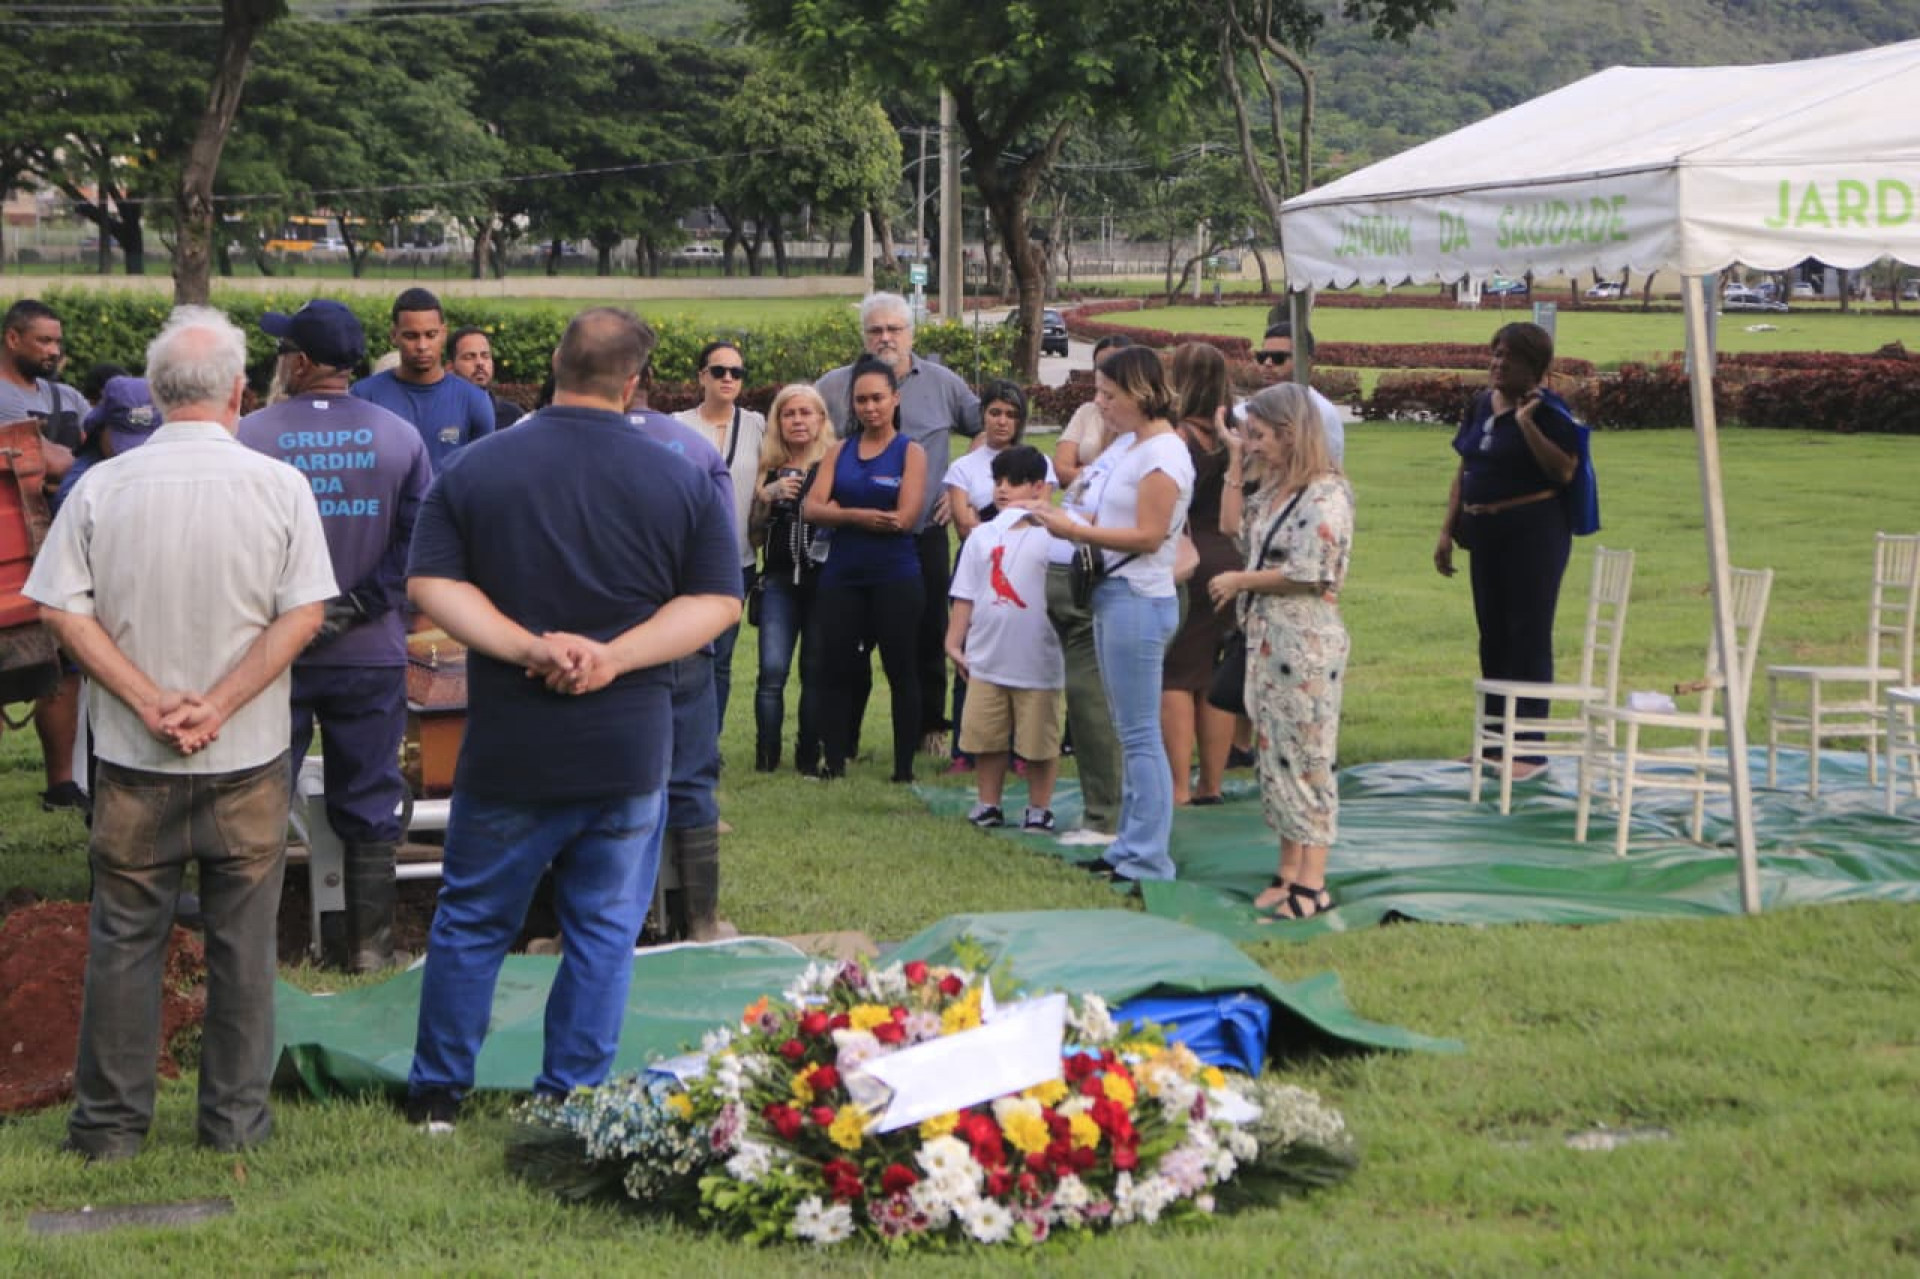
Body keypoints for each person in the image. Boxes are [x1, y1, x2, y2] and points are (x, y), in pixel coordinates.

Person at [404, 308, 740, 1130]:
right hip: (625, 739)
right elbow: (719, 602)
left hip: (512, 737)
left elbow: (432, 586)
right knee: (602, 929)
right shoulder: (682, 472)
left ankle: (438, 1096)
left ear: (553, 364)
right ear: (635, 385)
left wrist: (528, 649)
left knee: (474, 917)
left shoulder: (478, 468)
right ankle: (571, 1097)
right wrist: (615, 657)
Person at [26, 305, 336, 1159]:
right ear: (240, 391)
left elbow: (58, 609)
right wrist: (221, 702)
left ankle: (108, 1128)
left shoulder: (100, 486)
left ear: (159, 395)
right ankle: (234, 1127)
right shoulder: (279, 486)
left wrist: (145, 697)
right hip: (246, 756)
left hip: (132, 755)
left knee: (124, 939)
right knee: (245, 943)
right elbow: (303, 612)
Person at [238, 300, 434, 972]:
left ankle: (255, 947)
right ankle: (370, 947)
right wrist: (352, 607)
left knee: (262, 792)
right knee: (372, 792)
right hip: (371, 649)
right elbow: (417, 543)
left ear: (298, 361)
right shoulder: (401, 436)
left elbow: (235, 550)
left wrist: (302, 614)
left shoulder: (249, 434)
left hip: (271, 652)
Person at [1034, 346, 1194, 884]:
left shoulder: (1164, 454)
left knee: (1140, 733)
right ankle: (1130, 845)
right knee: (1129, 730)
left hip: (1138, 599)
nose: (1100, 404)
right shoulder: (1130, 444)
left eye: (1109, 394)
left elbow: (1150, 537)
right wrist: (1056, 514)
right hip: (1113, 593)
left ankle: (1148, 856)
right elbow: (1091, 498)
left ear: (1141, 392)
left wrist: (1074, 530)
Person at [1210, 383, 1354, 921]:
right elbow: (1233, 528)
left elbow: (1308, 572)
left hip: (1304, 644)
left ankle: (1313, 885)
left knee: (1308, 758)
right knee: (1276, 758)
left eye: (1260, 436)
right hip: (1268, 642)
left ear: (1292, 435)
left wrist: (1240, 581)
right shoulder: (1279, 489)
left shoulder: (1326, 495)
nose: (1253, 445)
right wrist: (1233, 460)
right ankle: (1288, 869)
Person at [815, 292, 980, 756]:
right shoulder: (834, 385)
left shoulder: (943, 383)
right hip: (849, 537)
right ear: (863, 336)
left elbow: (989, 426)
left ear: (912, 333)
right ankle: (844, 737)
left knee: (927, 632)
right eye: (875, 330)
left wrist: (956, 484)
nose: (885, 338)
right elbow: (804, 434)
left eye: (894, 329)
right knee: (850, 643)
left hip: (921, 531)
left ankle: (930, 727)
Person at [1434, 321, 1578, 782]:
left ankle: (1529, 750)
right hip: (1484, 530)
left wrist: (1525, 424)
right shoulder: (1480, 404)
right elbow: (1466, 465)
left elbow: (1564, 471)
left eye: (1508, 357)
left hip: (1533, 532)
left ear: (1534, 367)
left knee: (1527, 635)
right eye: (1494, 354)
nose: (1497, 364)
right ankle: (1494, 744)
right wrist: (1447, 527)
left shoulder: (1550, 412)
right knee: (1492, 635)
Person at [627, 364, 737, 942]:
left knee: (614, 782)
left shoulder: (577, 446)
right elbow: (723, 550)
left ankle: (615, 922)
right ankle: (702, 922)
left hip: (607, 643)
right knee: (692, 778)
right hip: (685, 637)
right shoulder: (696, 448)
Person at [803, 355, 928, 782]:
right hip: (843, 576)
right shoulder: (839, 450)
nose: (869, 407)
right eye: (861, 400)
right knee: (836, 667)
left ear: (895, 399)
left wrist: (840, 510)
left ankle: (904, 768)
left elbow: (905, 519)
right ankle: (833, 761)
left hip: (895, 576)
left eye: (877, 398)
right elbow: (811, 508)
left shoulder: (910, 452)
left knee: (900, 669)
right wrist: (859, 517)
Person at [945, 445, 1064, 833]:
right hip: (987, 656)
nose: (1002, 489)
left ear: (1037, 487)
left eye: (1013, 482)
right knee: (986, 737)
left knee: (1040, 741)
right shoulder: (982, 537)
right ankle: (989, 802)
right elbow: (965, 594)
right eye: (997, 481)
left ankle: (1039, 807)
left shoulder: (1056, 535)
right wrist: (953, 643)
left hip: (1039, 659)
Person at [1, 299, 89, 814]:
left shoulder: (67, 397)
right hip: (8, 549)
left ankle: (60, 784)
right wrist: (38, 461)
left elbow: (86, 458)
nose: (54, 351)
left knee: (63, 664)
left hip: (59, 548)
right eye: (43, 341)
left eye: (57, 342)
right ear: (13, 339)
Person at [941, 379, 1054, 771]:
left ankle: (1021, 749)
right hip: (979, 563)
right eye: (995, 413)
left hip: (1025, 566)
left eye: (1011, 415)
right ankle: (964, 749)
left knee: (1022, 656)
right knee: (969, 654)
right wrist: (1002, 513)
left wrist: (993, 515)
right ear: (982, 415)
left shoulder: (1039, 462)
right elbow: (964, 524)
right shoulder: (964, 466)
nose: (1002, 421)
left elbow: (1041, 513)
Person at [674, 340, 766, 737]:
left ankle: (709, 741)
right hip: (685, 561)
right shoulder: (678, 425)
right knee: (684, 654)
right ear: (702, 377)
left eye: (736, 372)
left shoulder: (758, 425)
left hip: (737, 560)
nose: (728, 378)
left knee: (722, 659)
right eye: (719, 371)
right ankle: (680, 735)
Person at [1161, 342, 1240, 806]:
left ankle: (1177, 786)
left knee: (1175, 674)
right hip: (1232, 554)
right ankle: (1212, 782)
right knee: (1214, 673)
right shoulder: (1237, 433)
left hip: (1189, 559)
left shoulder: (1179, 438)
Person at [747, 383, 832, 775]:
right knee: (772, 671)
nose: (797, 420)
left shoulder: (834, 462)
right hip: (779, 581)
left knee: (815, 672)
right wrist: (767, 497)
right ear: (778, 422)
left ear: (820, 420)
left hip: (823, 583)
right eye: (788, 413)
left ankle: (807, 756)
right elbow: (754, 535)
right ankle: (767, 756)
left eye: (805, 413)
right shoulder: (767, 467)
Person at [351, 287, 494, 471]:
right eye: (411, 336)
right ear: (394, 335)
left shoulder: (474, 401)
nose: (422, 345)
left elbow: (483, 474)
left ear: (443, 333)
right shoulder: (364, 397)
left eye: (430, 335)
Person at [1254, 321, 1345, 464]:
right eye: (1262, 356)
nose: (1267, 363)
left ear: (1305, 362)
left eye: (1279, 358)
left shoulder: (1320, 412)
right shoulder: (1248, 410)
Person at [1053, 333, 1133, 488]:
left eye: (1113, 366)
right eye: (1100, 366)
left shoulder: (1138, 421)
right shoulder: (1087, 412)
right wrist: (1101, 475)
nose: (1105, 372)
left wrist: (1083, 471)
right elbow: (1060, 470)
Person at [447, 326, 525, 432]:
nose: (480, 363)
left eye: (485, 356)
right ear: (450, 367)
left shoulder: (512, 416)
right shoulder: (441, 413)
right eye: (469, 357)